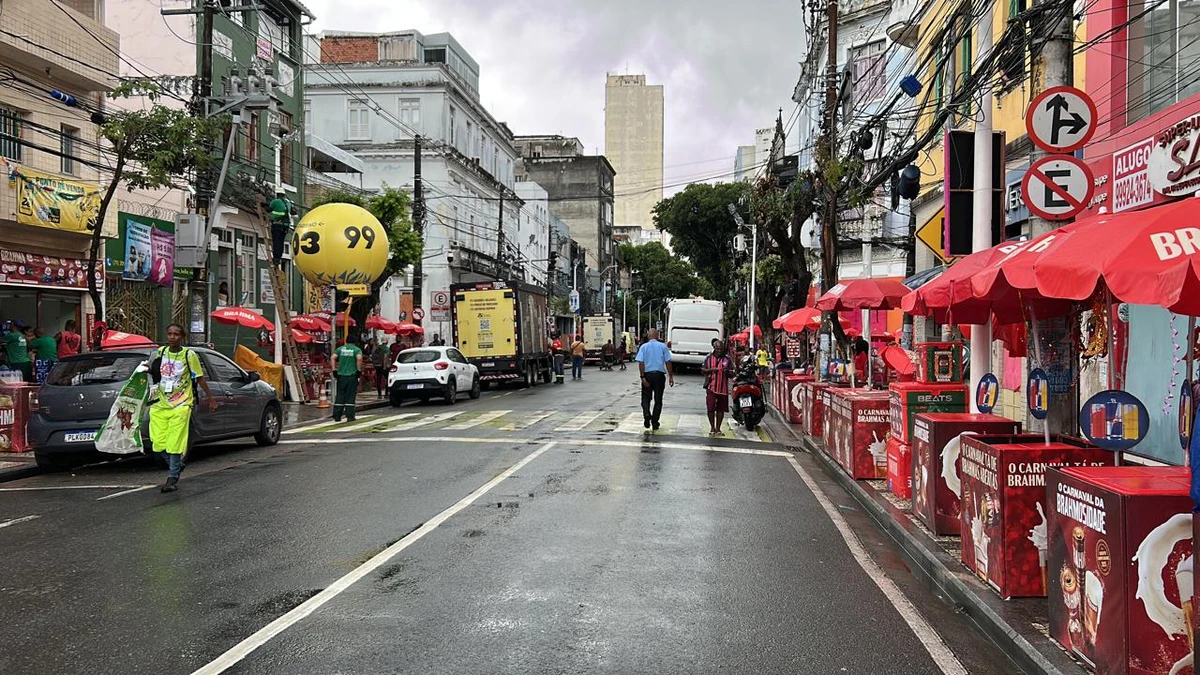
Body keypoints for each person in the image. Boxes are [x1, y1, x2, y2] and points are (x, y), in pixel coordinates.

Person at [148, 323, 216, 493]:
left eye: (176, 334)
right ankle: (177, 464)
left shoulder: (188, 355)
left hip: (181, 403)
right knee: (158, 443)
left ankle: (172, 478)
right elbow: (153, 372)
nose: (172, 337)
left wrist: (211, 399)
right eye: (170, 333)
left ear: (182, 336)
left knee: (175, 442)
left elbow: (199, 378)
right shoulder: (160, 353)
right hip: (160, 404)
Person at [636, 328, 674, 430]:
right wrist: (670, 376)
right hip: (659, 376)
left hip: (647, 375)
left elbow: (641, 363)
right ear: (657, 336)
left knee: (645, 398)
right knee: (658, 400)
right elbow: (668, 362)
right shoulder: (663, 346)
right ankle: (655, 421)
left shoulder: (643, 347)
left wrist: (642, 377)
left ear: (648, 336)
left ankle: (646, 414)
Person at [702, 340, 734, 436]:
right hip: (711, 387)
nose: (719, 350)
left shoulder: (727, 360)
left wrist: (727, 372)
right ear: (714, 348)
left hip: (723, 389)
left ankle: (718, 428)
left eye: (721, 348)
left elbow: (732, 373)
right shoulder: (708, 358)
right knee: (710, 408)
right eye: (717, 348)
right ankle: (712, 427)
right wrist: (711, 370)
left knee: (720, 409)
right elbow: (703, 370)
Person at [331, 334, 364, 422]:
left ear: (346, 341)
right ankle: (350, 416)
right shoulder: (357, 350)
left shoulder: (340, 349)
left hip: (341, 376)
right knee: (350, 396)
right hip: (351, 376)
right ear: (355, 342)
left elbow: (332, 358)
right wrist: (359, 370)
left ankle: (337, 415)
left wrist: (334, 370)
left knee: (340, 395)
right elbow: (359, 358)